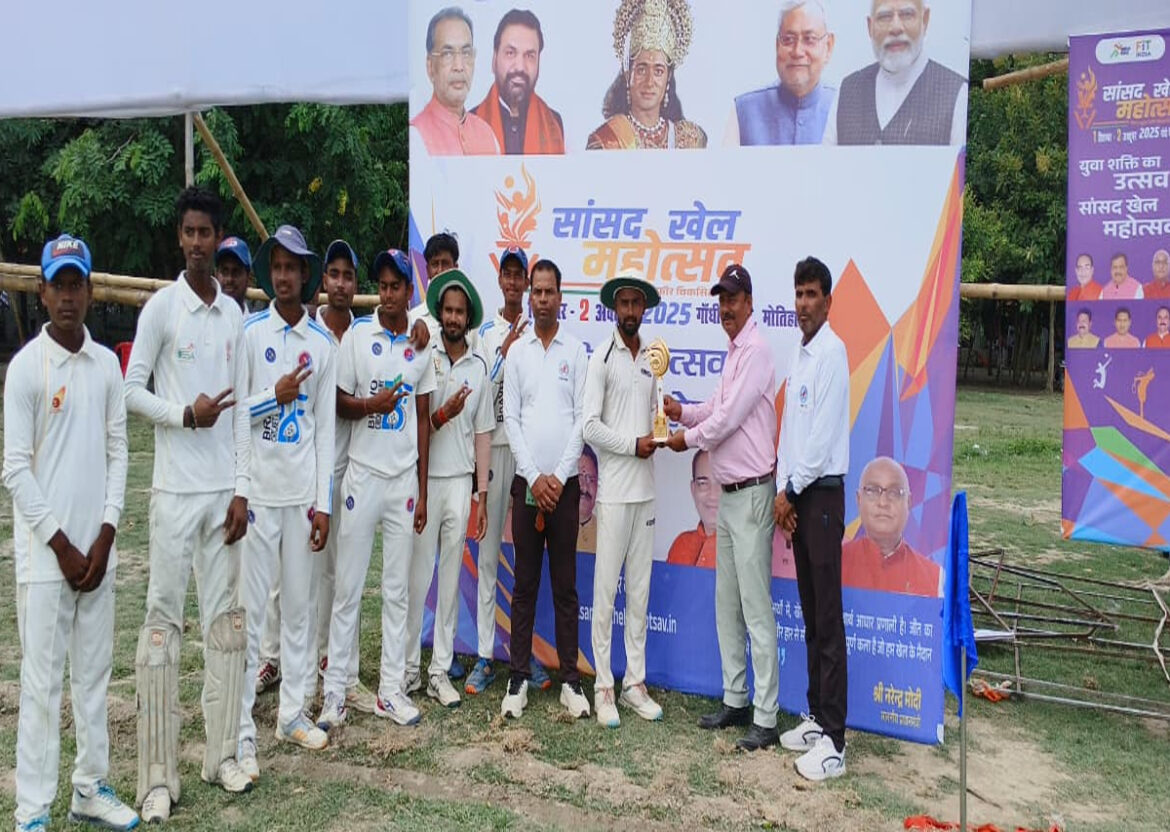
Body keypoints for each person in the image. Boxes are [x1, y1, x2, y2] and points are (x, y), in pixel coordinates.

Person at [125, 187, 253, 822]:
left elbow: (242, 411)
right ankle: (157, 777)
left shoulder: (233, 315)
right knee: (161, 629)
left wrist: (241, 490)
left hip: (220, 497)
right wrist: (183, 413)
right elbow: (130, 391)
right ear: (179, 238)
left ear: (217, 238)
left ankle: (222, 755)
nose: (198, 243)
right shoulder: (161, 309)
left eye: (207, 233)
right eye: (190, 232)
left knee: (226, 626)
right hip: (174, 494)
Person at [4, 235, 138, 832]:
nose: (66, 296)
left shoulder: (106, 364)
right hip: (46, 559)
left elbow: (119, 451)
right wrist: (61, 546)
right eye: (57, 284)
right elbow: (14, 469)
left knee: (93, 678)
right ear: (41, 291)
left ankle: (89, 787)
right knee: (41, 685)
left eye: (75, 284)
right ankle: (32, 811)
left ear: (89, 289)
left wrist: (105, 536)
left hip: (97, 556)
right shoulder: (26, 368)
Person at [316, 249, 435, 732]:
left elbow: (423, 419)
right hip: (362, 476)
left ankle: (390, 691)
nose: (387, 295)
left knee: (396, 590)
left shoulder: (421, 342)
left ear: (409, 291)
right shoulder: (358, 337)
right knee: (348, 588)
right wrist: (371, 405)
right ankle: (335, 694)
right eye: (382, 286)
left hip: (402, 480)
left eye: (395, 287)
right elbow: (337, 402)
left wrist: (422, 489)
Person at [663, 263, 779, 752]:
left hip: (752, 494)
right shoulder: (734, 353)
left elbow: (727, 421)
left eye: (732, 300)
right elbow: (714, 406)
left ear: (749, 302)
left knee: (755, 607)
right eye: (721, 301)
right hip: (731, 496)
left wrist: (685, 439)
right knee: (726, 604)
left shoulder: (757, 351)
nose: (725, 309)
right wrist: (682, 412)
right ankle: (736, 699)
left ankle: (766, 716)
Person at [235, 225, 336, 778]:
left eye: (291, 267)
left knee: (299, 610)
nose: (282, 275)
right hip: (259, 496)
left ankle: (292, 713)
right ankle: (241, 731)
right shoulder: (252, 333)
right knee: (253, 615)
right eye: (275, 266)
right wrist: (271, 398)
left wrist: (323, 504)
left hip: (300, 498)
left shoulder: (322, 345)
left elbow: (324, 432)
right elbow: (236, 416)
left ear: (305, 275)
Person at [500, 259, 591, 720]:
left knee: (565, 587)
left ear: (560, 296)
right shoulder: (517, 353)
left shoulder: (576, 352)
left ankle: (570, 680)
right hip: (527, 485)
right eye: (535, 291)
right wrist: (535, 476)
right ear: (530, 296)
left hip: (566, 486)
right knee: (524, 585)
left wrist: (558, 475)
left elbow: (582, 420)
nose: (541, 299)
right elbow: (511, 420)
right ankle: (517, 676)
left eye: (548, 291)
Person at [772, 256, 849, 782]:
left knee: (828, 619)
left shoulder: (833, 353)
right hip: (798, 495)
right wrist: (783, 491)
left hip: (820, 496)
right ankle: (818, 718)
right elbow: (791, 433)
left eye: (812, 294)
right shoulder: (800, 354)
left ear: (828, 300)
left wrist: (794, 491)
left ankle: (835, 742)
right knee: (810, 615)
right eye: (798, 294)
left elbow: (820, 441)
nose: (803, 303)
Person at [466, 247, 553, 696]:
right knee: (487, 556)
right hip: (494, 451)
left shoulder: (541, 333)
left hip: (528, 459)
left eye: (522, 276)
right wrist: (503, 352)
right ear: (501, 281)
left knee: (526, 562)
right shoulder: (485, 333)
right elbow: (479, 390)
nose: (516, 283)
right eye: (510, 275)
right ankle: (485, 654)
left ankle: (522, 652)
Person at [405, 269, 493, 709]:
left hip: (460, 482)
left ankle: (439, 671)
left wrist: (482, 497)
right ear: (440, 313)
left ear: (468, 317)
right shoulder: (423, 352)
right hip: (424, 481)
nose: (454, 318)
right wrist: (443, 414)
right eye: (448, 310)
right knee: (417, 577)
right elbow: (416, 422)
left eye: (460, 312)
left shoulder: (479, 366)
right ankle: (407, 668)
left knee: (450, 582)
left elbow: (483, 434)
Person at [583, 272, 665, 729]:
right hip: (613, 493)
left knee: (639, 592)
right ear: (615, 308)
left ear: (644, 309)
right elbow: (589, 426)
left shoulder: (654, 359)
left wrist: (662, 428)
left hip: (645, 493)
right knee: (605, 592)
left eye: (637, 304)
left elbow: (656, 415)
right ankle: (603, 685)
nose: (630, 311)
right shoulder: (601, 358)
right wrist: (632, 445)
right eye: (624, 303)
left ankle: (635, 682)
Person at [310, 240, 377, 714]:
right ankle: (301, 664)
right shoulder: (308, 332)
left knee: (345, 577)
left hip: (352, 471)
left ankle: (342, 671)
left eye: (347, 276)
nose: (340, 283)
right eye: (332, 274)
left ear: (356, 284)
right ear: (323, 282)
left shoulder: (362, 334)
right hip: (310, 472)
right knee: (308, 577)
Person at [824, 0, 967, 146]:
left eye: (907, 14)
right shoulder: (847, 91)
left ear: (925, 20)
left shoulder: (957, 94)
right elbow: (826, 159)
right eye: (884, 16)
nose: (895, 28)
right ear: (870, 27)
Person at [586, 0, 706, 150]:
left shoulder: (689, 140)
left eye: (658, 71)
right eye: (641, 70)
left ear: (668, 77)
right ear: (628, 74)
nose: (649, 82)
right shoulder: (609, 140)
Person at [726, 1, 836, 146]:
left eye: (809, 39)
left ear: (828, 46)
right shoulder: (744, 111)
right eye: (788, 39)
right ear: (777, 45)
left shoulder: (843, 110)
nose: (797, 51)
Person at [842, 458, 941, 597]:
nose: (883, 502)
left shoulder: (936, 580)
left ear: (908, 502)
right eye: (872, 491)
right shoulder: (834, 565)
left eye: (894, 492)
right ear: (859, 500)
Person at [411, 6, 500, 156]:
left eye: (466, 53)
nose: (459, 66)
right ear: (430, 66)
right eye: (447, 54)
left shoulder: (488, 136)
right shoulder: (416, 137)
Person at [472, 9, 565, 154]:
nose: (520, 67)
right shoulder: (471, 124)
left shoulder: (555, 125)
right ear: (494, 59)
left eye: (529, 56)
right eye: (510, 53)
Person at [666, 450, 719, 568]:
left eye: (722, 484)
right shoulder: (681, 545)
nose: (713, 495)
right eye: (703, 483)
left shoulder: (748, 550)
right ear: (693, 489)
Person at [215, 236, 253, 311]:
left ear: (248, 277)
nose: (229, 279)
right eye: (224, 272)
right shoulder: (203, 317)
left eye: (236, 272)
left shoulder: (257, 319)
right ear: (216, 274)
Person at [577, 445, 599, 553]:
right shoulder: (549, 528)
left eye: (591, 479)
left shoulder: (606, 533)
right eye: (579, 477)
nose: (584, 487)